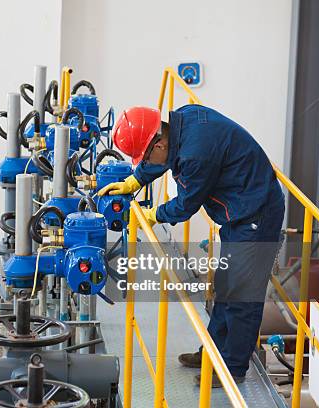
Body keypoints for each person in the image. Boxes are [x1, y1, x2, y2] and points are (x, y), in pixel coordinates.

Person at [99, 105, 285, 387]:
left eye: (145, 156)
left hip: (255, 212)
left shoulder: (195, 155)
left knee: (241, 295)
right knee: (225, 286)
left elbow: (186, 205)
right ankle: (213, 353)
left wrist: (151, 215)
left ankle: (231, 370)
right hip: (240, 208)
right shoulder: (180, 122)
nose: (147, 161)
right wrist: (134, 180)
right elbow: (161, 158)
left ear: (158, 142)